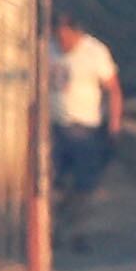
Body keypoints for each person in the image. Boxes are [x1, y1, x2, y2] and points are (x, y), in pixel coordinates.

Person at [48, 17, 123, 202]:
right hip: (55, 126)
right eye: (59, 38)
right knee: (52, 182)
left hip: (85, 128)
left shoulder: (94, 52)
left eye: (66, 38)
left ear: (77, 34)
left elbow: (113, 90)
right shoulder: (48, 49)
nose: (62, 43)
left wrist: (114, 123)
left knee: (86, 186)